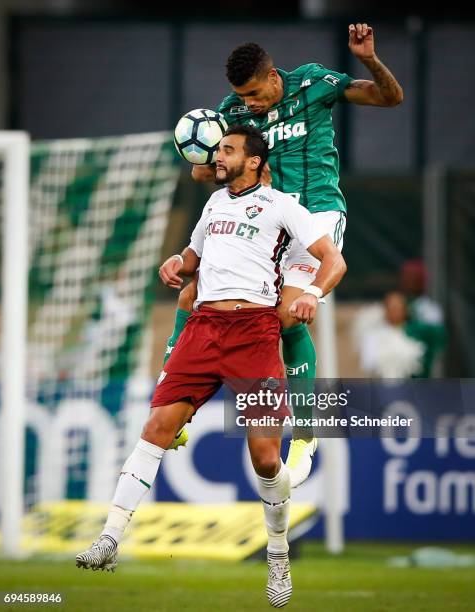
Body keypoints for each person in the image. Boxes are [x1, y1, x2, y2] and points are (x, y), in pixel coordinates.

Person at [76, 125, 347, 608]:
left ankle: (278, 556)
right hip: (203, 331)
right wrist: (175, 262)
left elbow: (334, 261)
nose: (216, 156)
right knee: (157, 427)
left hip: (255, 334)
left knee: (265, 459)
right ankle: (109, 538)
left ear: (256, 161)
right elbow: (193, 256)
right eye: (218, 149)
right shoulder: (214, 205)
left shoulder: (283, 205)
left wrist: (310, 293)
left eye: (227, 150)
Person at [165, 23, 403, 486]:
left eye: (255, 93)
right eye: (242, 96)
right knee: (193, 296)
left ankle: (307, 432)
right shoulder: (232, 111)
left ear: (274, 76)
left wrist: (370, 59)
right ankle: (174, 405)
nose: (249, 104)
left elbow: (389, 98)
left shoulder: (314, 84)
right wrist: (205, 160)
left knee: (288, 316)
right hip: (262, 223)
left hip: (314, 219)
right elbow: (212, 172)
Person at [353, 291, 446, 378]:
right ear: (385, 310)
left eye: (398, 308)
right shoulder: (374, 335)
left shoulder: (417, 332)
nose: (395, 312)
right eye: (391, 308)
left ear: (405, 310)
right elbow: (369, 364)